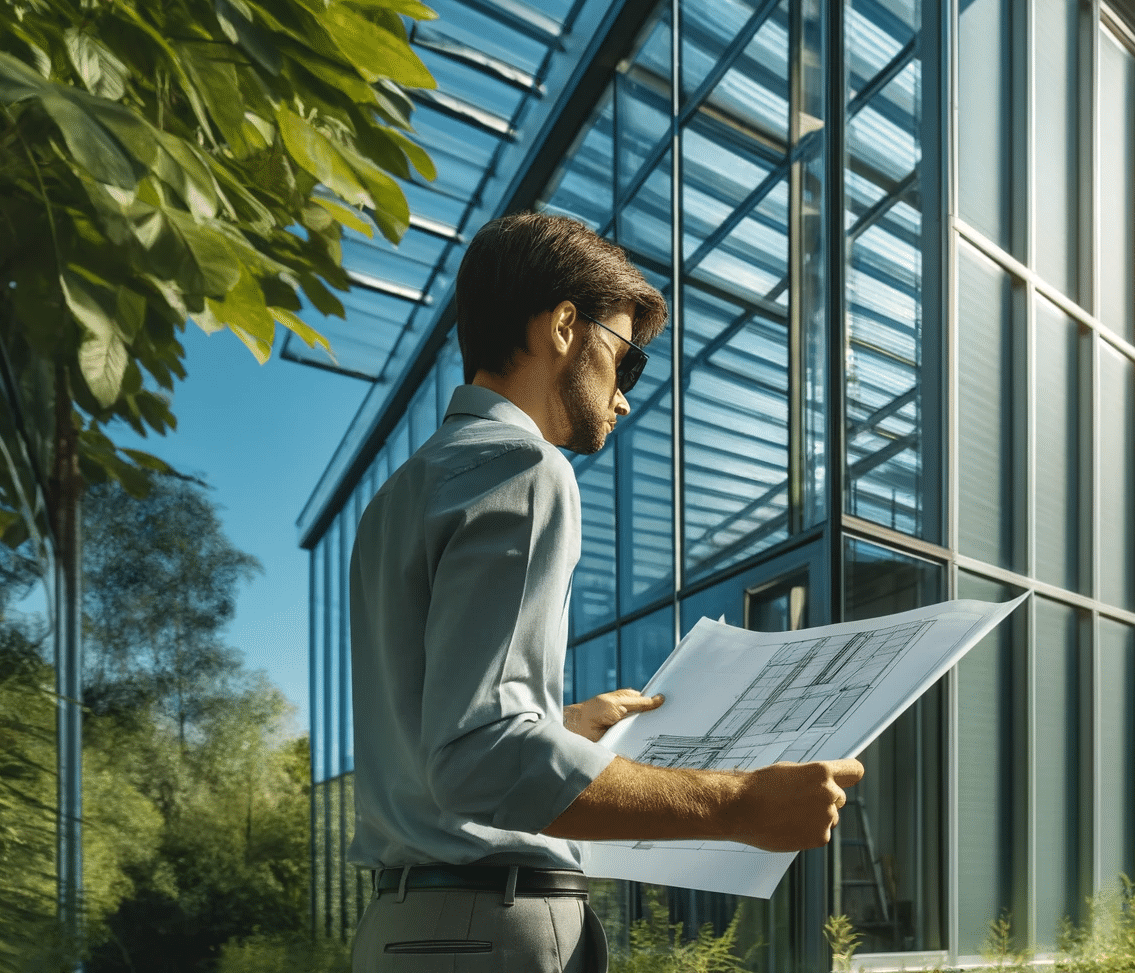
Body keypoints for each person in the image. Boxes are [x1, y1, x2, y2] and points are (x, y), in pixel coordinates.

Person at [346, 212, 864, 972]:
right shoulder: (524, 470)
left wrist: (562, 723)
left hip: (404, 927)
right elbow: (481, 762)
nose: (624, 398)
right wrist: (743, 805)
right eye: (627, 362)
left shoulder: (403, 493)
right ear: (563, 326)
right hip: (492, 927)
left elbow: (435, 736)